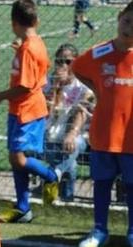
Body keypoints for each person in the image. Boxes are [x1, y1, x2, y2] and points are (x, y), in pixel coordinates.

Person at [0, 0, 58, 223]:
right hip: (21, 110)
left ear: (13, 23)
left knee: (18, 158)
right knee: (16, 157)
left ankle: (50, 176)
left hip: (27, 110)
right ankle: (22, 208)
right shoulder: (34, 43)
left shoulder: (28, 49)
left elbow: (26, 86)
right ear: (37, 20)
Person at [72, 2, 133, 246]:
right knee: (102, 183)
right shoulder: (100, 52)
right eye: (127, 21)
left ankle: (132, 231)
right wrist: (96, 87)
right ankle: (99, 231)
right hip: (104, 134)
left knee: (131, 185)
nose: (129, 27)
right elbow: (78, 68)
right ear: (119, 18)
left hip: (131, 137)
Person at [43, 43, 94, 202]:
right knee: (69, 163)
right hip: (52, 132)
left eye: (68, 61)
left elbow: (81, 111)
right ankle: (66, 199)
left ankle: (53, 176)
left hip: (79, 134)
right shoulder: (49, 82)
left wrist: (71, 134)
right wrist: (56, 89)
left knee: (72, 146)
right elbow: (46, 114)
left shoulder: (84, 83)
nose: (63, 65)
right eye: (60, 61)